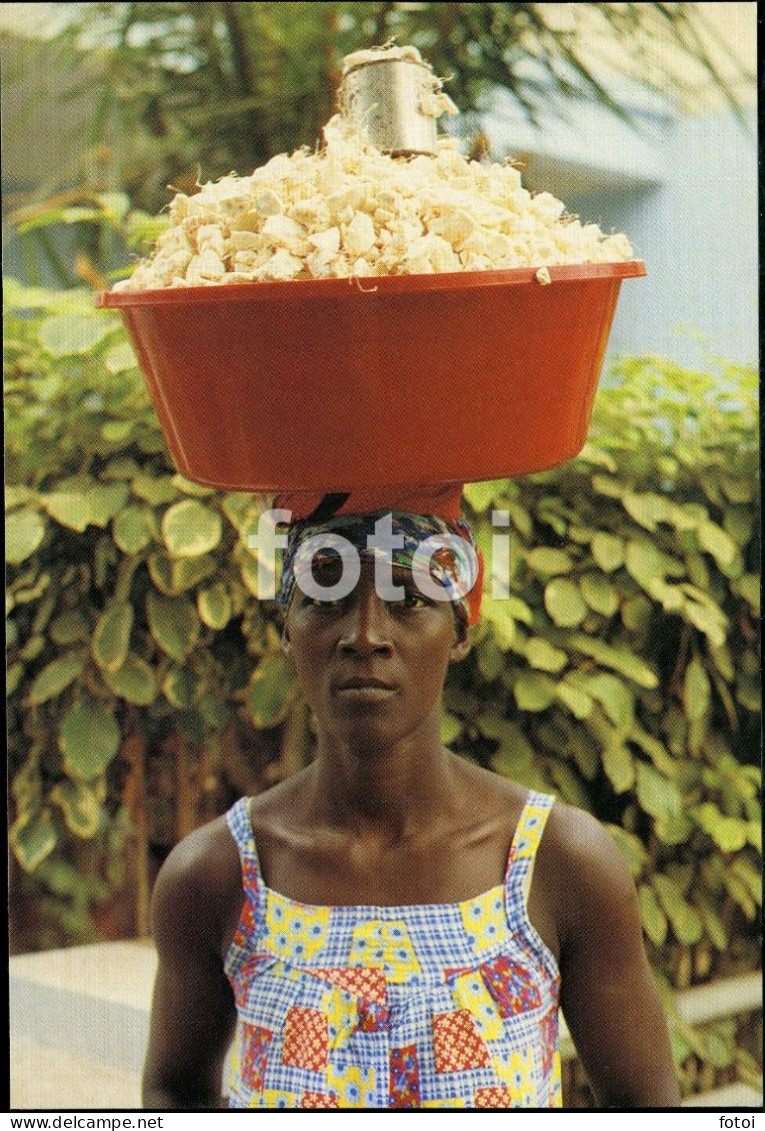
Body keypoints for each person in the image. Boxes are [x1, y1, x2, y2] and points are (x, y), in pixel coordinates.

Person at [142, 490, 681, 1110]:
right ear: (288, 630)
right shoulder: (217, 875)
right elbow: (172, 1095)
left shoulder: (556, 862)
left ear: (459, 631)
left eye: (411, 598)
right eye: (326, 596)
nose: (366, 635)